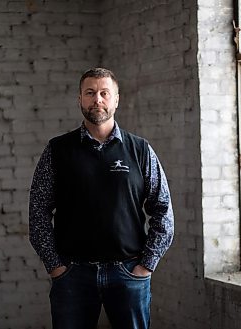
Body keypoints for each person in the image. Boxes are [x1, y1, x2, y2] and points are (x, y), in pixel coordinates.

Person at [29, 67, 174, 329]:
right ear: (80, 99)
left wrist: (145, 267)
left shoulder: (140, 150)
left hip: (128, 273)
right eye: (90, 93)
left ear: (116, 100)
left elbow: (163, 210)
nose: (98, 99)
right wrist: (56, 267)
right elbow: (38, 211)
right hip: (73, 274)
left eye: (105, 93)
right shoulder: (57, 150)